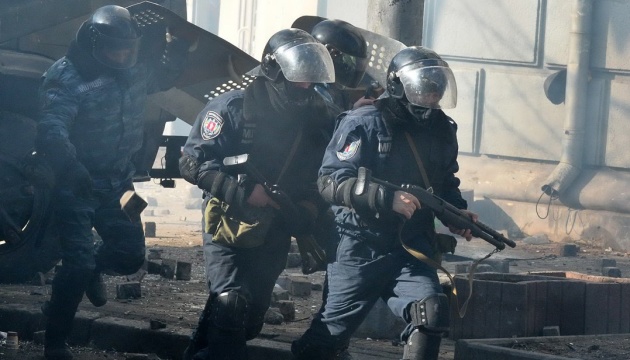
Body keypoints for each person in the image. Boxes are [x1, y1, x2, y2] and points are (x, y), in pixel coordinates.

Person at [291, 46, 478, 360]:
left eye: (435, 91)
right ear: (398, 87)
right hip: (360, 244)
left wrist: (456, 213)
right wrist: (384, 198)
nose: (429, 98)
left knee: (429, 314)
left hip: (411, 245)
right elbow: (330, 181)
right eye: (422, 90)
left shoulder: (442, 130)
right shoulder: (364, 121)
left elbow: (444, 183)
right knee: (328, 337)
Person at [35, 5, 188, 360]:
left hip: (121, 184)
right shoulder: (66, 75)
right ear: (94, 45)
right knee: (77, 264)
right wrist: (72, 168)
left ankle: (90, 273)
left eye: (127, 49)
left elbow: (164, 77)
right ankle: (55, 340)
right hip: (77, 183)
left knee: (131, 254)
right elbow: (51, 129)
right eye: (114, 50)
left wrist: (178, 45)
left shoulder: (135, 70)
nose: (121, 56)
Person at [178, 28, 336, 360]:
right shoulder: (232, 108)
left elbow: (322, 172)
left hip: (276, 225)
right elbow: (193, 163)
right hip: (229, 223)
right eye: (299, 79)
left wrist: (308, 207)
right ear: (275, 70)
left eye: (310, 80)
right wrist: (245, 191)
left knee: (248, 320)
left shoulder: (316, 117)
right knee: (230, 303)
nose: (305, 87)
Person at [309, 19, 372, 115]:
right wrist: (353, 114)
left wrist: (355, 109)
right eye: (343, 60)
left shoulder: (336, 87)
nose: (346, 67)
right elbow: (328, 126)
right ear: (330, 53)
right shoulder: (315, 91)